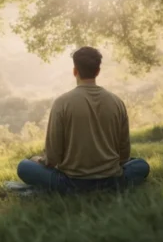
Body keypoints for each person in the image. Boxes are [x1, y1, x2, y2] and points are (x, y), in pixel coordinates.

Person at [15, 46, 150, 193]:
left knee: (24, 166)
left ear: (75, 71)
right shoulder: (117, 102)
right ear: (98, 71)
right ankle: (107, 187)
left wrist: (38, 160)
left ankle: (72, 191)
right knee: (141, 165)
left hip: (71, 182)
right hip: (112, 179)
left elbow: (52, 158)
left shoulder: (62, 103)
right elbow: (124, 156)